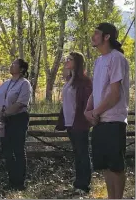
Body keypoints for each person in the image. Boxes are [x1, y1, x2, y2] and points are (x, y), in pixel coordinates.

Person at [85, 23, 129, 199]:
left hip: (114, 120)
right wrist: (88, 109)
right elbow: (97, 91)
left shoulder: (116, 58)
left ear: (107, 37)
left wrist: (96, 112)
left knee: (116, 166)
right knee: (105, 166)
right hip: (100, 121)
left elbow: (114, 94)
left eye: (96, 33)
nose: (93, 36)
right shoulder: (99, 60)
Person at [56, 52, 92, 195]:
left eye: (69, 59)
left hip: (80, 122)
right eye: (66, 59)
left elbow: (87, 103)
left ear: (77, 62)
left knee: (83, 153)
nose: (66, 61)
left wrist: (86, 119)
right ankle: (78, 183)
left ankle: (84, 185)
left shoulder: (84, 81)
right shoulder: (69, 79)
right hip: (70, 122)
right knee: (77, 153)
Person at [0, 59, 32, 191]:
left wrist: (5, 113)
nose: (11, 65)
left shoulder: (24, 84)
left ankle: (19, 182)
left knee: (18, 150)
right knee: (7, 150)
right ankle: (11, 180)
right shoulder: (5, 84)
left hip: (18, 119)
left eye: (14, 64)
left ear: (21, 69)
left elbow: (21, 103)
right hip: (4, 121)